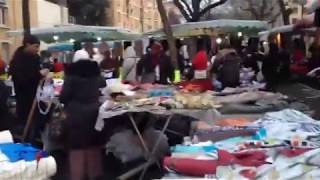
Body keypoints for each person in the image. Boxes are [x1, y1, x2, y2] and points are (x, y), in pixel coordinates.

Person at [60, 60, 105, 180]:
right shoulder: (96, 76)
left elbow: (63, 97)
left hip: (76, 115)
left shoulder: (71, 76)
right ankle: (94, 175)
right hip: (94, 113)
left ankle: (77, 176)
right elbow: (103, 85)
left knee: (76, 148)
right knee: (93, 146)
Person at [9, 35, 49, 126]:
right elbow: (22, 81)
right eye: (35, 46)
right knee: (28, 123)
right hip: (25, 99)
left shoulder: (35, 58)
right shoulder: (17, 61)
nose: (37, 49)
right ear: (27, 45)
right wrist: (39, 75)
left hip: (37, 97)